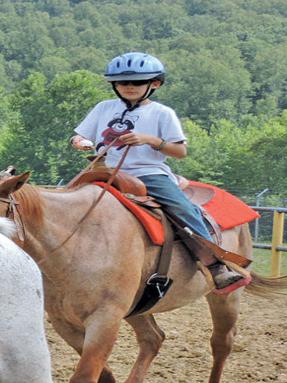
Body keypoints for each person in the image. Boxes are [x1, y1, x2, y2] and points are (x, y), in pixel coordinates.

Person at [71, 52, 247, 293]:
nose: (129, 87)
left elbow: (180, 151)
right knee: (65, 200)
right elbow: (81, 134)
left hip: (148, 174)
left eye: (137, 82)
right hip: (103, 171)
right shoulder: (103, 108)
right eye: (123, 82)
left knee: (181, 209)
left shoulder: (162, 113)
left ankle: (215, 264)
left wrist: (149, 140)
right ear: (114, 85)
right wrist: (79, 141)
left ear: (154, 83)